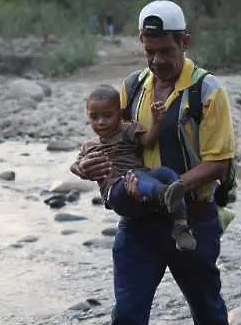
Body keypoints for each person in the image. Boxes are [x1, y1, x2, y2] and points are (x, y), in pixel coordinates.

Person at [70, 0, 239, 325]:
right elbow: (109, 138)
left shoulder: (208, 92)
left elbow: (219, 162)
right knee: (126, 321)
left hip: (193, 218)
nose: (156, 60)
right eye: (149, 51)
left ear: (185, 42)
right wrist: (86, 166)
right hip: (139, 225)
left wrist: (174, 190)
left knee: (205, 304)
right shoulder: (132, 87)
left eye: (165, 50)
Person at [70, 85, 196, 251]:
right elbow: (75, 166)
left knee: (166, 173)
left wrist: (157, 121)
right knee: (135, 176)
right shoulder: (89, 146)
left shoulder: (126, 130)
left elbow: (148, 140)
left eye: (107, 115)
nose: (101, 122)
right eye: (94, 117)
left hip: (140, 181)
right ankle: (164, 193)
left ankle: (181, 226)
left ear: (120, 115)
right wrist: (81, 169)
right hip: (115, 191)